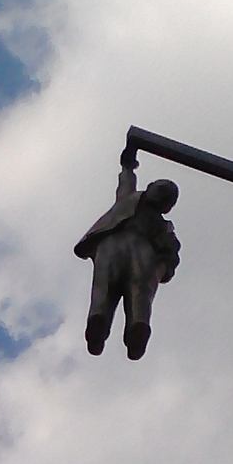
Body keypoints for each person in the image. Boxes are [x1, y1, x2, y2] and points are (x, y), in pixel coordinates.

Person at [74, 151, 180, 359]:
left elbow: (171, 253)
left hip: (141, 250)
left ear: (167, 207)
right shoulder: (129, 199)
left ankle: (137, 330)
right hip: (114, 243)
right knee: (104, 286)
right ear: (149, 188)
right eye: (160, 190)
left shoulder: (164, 227)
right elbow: (126, 181)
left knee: (140, 293)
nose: (161, 196)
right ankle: (98, 324)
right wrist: (127, 166)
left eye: (166, 197)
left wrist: (163, 267)